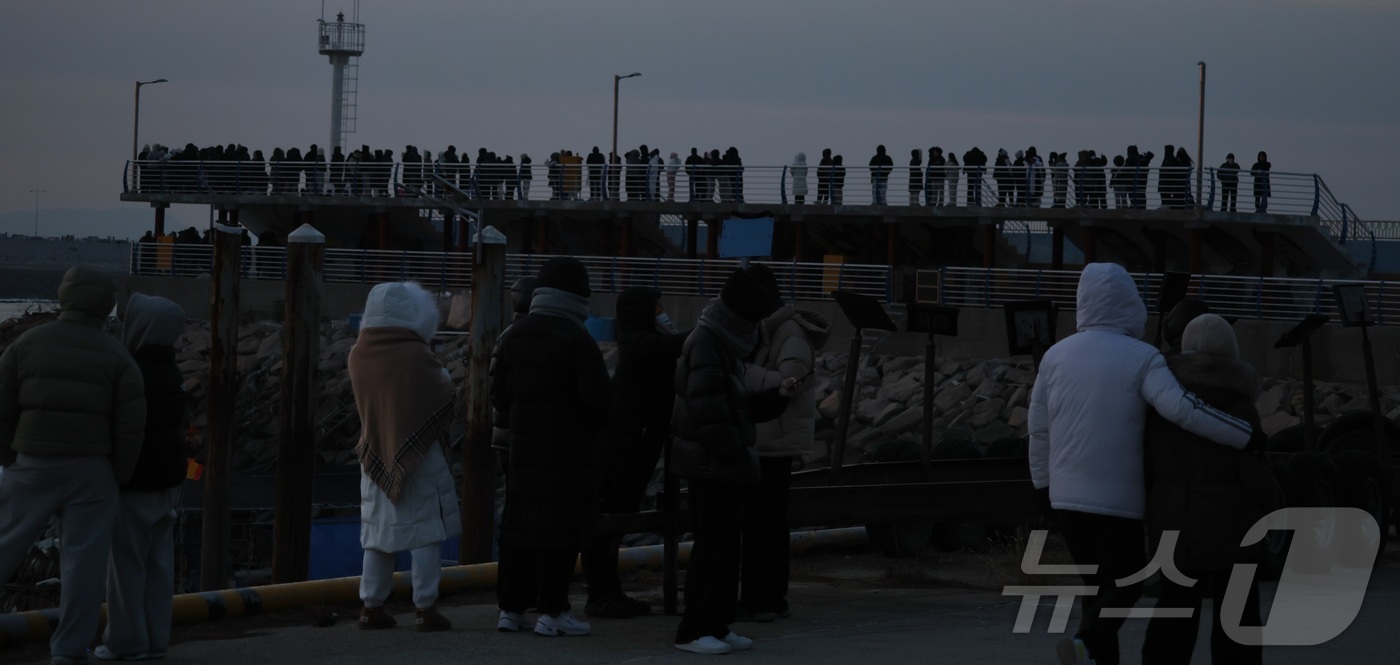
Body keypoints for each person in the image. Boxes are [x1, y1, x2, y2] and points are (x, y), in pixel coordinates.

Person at [1028, 263, 1254, 665]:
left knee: (1098, 591)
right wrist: (1242, 433)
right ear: (1129, 303)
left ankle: (1090, 653)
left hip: (1064, 498)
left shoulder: (1055, 356)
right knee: (1126, 586)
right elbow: (1182, 409)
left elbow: (1039, 429)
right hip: (1116, 500)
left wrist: (1042, 486)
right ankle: (1083, 643)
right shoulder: (1142, 357)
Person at [0, 266, 146, 665]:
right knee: (84, 565)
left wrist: (8, 456)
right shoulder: (118, 356)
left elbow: (2, 405)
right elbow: (130, 427)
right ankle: (68, 650)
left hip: (31, 462)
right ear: (106, 305)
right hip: (92, 470)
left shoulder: (26, 344)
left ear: (64, 296)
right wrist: (119, 473)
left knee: (4, 543)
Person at [670, 267, 789, 655]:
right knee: (711, 548)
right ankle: (694, 630)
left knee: (724, 549)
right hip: (712, 466)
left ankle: (717, 625)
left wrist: (773, 400)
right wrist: (735, 453)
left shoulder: (723, 341)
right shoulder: (707, 343)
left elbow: (729, 407)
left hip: (721, 464)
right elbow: (707, 415)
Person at [1141, 314, 1273, 665]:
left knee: (1175, 608)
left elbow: (1148, 463)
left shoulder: (1164, 403)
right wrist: (1276, 504)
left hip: (1173, 521)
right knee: (1237, 616)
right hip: (1233, 527)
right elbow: (1253, 469)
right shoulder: (1238, 405)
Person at [492, 257, 610, 637]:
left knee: (517, 529)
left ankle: (511, 609)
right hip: (567, 455)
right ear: (578, 296)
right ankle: (553, 612)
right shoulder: (578, 339)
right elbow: (598, 404)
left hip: (522, 453)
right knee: (559, 531)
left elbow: (498, 394)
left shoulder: (515, 334)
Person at [349, 282, 459, 632]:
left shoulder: (357, 353)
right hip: (419, 455)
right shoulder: (416, 353)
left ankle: (371, 605)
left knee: (377, 534)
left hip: (374, 454)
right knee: (425, 533)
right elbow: (442, 393)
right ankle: (425, 607)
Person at [581, 287, 689, 618]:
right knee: (609, 520)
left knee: (615, 519)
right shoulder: (639, 344)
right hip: (623, 450)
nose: (662, 313)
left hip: (633, 446)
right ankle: (602, 594)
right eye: (657, 308)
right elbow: (678, 343)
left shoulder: (640, 343)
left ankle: (608, 592)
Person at [95, 294, 189, 661]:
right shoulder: (171, 369)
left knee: (124, 567)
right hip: (166, 480)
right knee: (159, 566)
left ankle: (126, 641)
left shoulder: (131, 370)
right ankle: (155, 640)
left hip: (134, 480)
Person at [738, 269, 830, 623]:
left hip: (774, 441)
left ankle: (761, 600)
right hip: (771, 439)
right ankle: (771, 599)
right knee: (769, 524)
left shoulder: (789, 334)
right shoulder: (772, 331)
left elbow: (791, 382)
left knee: (764, 525)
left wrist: (742, 372)